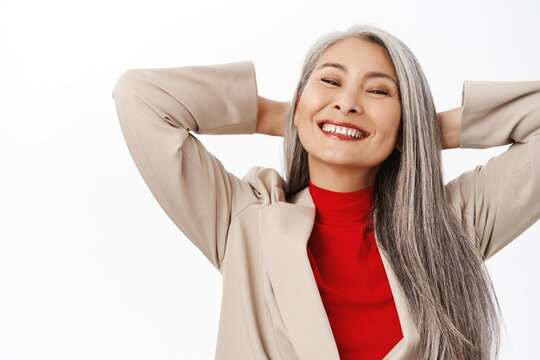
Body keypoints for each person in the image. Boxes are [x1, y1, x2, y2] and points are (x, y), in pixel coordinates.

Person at [111, 24, 540, 360]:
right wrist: (280, 116)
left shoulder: (452, 224)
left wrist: (426, 133)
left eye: (378, 91)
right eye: (330, 82)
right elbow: (140, 97)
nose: (348, 103)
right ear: (300, 100)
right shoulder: (243, 221)